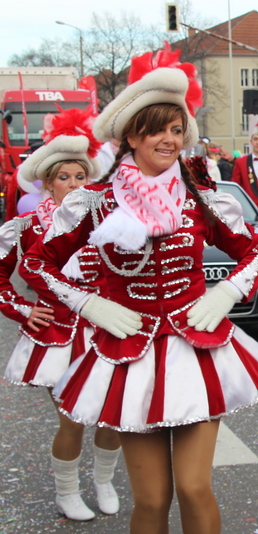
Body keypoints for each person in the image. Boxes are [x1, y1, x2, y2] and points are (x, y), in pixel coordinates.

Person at [20, 44, 258, 534]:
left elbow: (256, 251)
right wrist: (89, 303)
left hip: (197, 351)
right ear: (132, 134)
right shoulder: (93, 202)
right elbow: (37, 263)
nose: (170, 139)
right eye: (158, 128)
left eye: (177, 129)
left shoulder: (202, 199)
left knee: (195, 488)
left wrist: (225, 295)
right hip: (128, 357)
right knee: (152, 500)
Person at [2, 107, 121, 521]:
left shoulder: (107, 221)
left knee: (111, 416)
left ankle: (104, 480)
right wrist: (21, 310)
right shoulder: (25, 227)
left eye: (80, 176)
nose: (73, 184)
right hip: (56, 336)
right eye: (64, 177)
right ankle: (66, 492)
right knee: (72, 419)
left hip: (104, 331)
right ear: (47, 183)